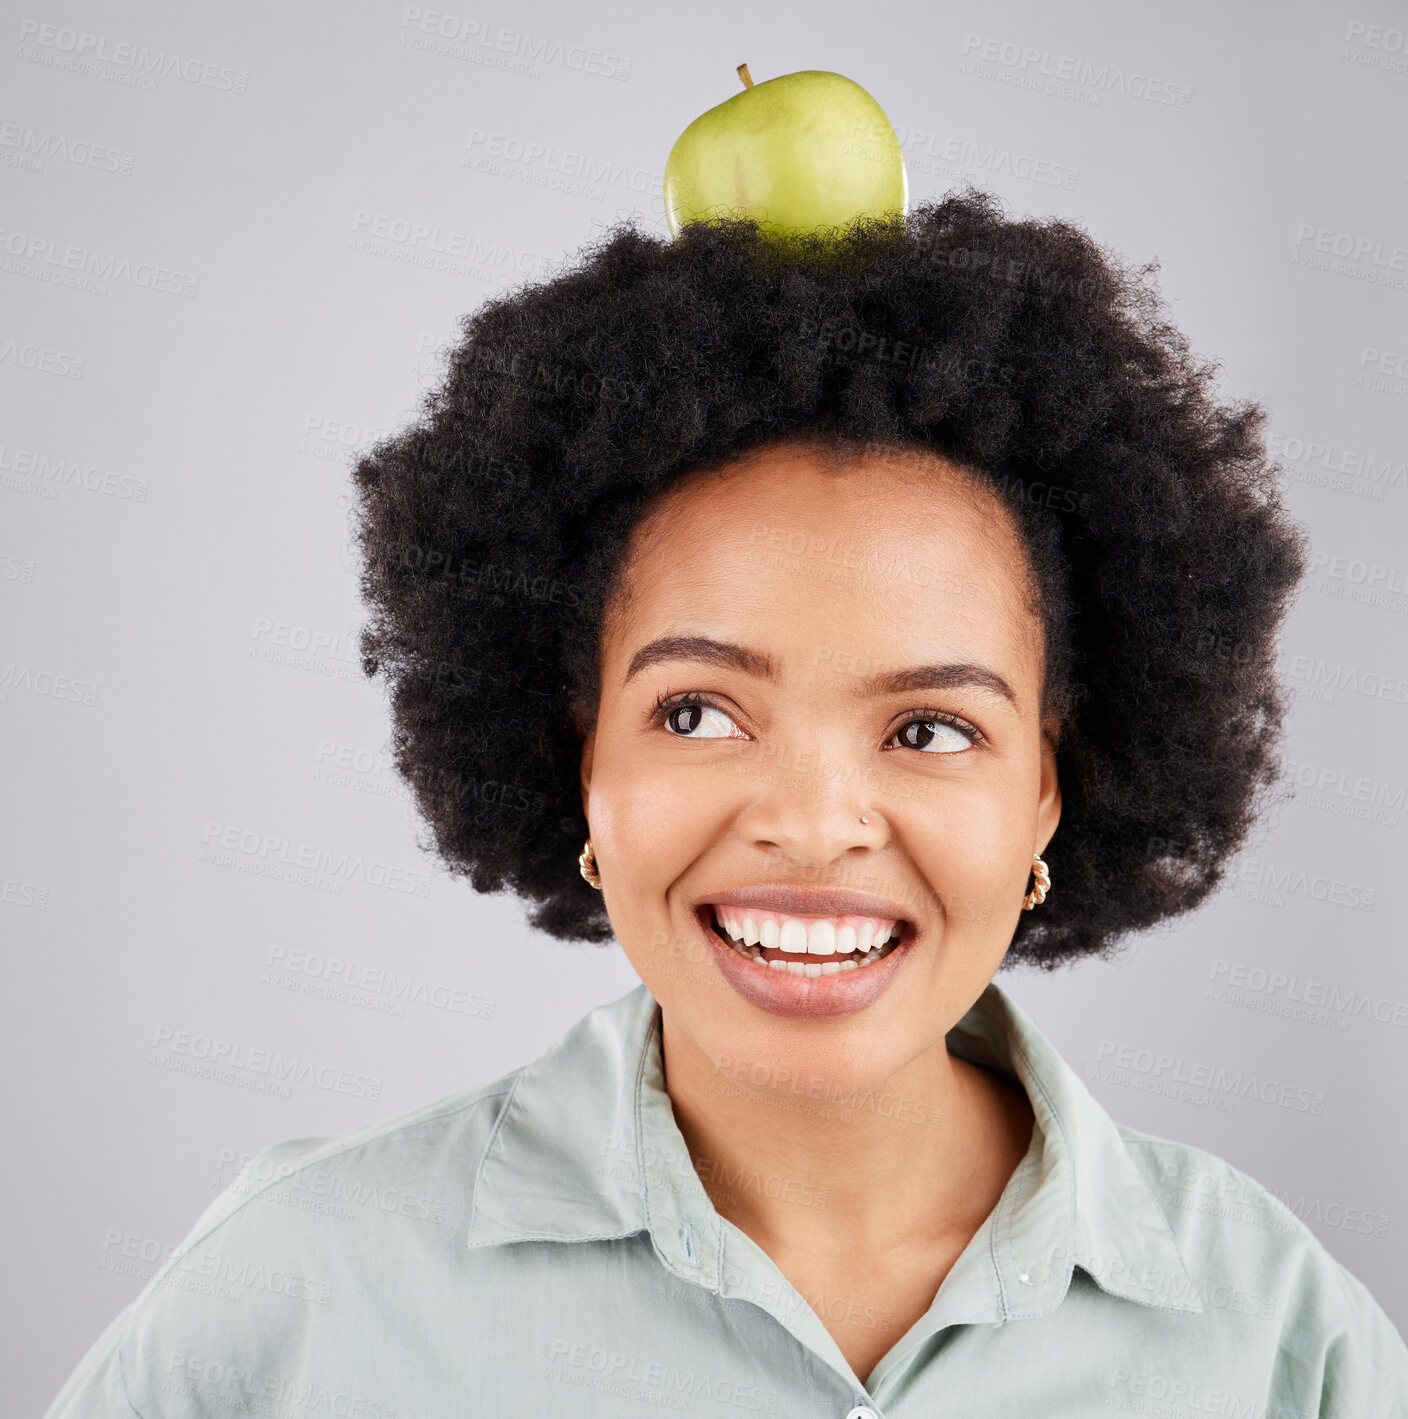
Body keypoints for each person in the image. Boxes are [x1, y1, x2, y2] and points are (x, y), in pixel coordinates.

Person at [45, 192, 1408, 1415]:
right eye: (697, 711)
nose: (814, 827)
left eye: (930, 727)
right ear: (580, 757)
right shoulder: (309, 1294)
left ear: (1051, 787)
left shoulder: (1274, 1339)